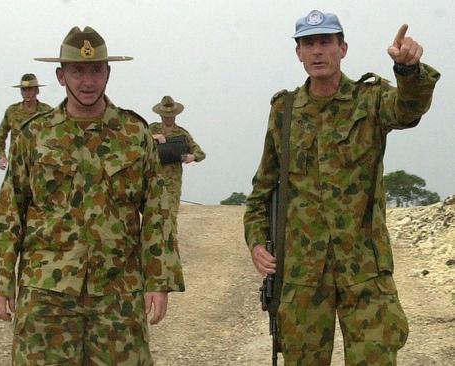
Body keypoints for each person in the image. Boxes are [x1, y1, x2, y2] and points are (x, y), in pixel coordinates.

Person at [0, 26, 184, 365]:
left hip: (118, 290)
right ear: (61, 76)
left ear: (107, 73)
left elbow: (157, 211)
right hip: (46, 292)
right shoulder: (34, 134)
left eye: (95, 70)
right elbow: (9, 209)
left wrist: (160, 280)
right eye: (77, 71)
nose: (87, 81)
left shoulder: (134, 133)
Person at [243, 10, 440, 365]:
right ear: (298, 53)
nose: (317, 51)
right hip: (303, 273)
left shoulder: (370, 99)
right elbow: (263, 188)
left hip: (364, 268)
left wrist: (408, 71)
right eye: (308, 43)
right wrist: (257, 241)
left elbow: (408, 110)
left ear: (342, 48)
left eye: (325, 42)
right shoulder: (284, 111)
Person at [149, 95, 205, 233]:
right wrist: (153, 137)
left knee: (171, 216)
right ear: (160, 115)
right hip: (152, 181)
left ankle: (170, 247)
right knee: (153, 217)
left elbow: (200, 153)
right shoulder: (151, 129)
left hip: (172, 184)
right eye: (165, 116)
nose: (169, 118)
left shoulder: (182, 134)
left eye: (171, 115)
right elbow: (134, 141)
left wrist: (193, 157)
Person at [0, 73, 52, 170]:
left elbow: (55, 139)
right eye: (24, 90)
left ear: (37, 90)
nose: (27, 93)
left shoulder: (47, 112)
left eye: (30, 89)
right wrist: (2, 157)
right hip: (17, 167)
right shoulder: (12, 112)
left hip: (40, 167)